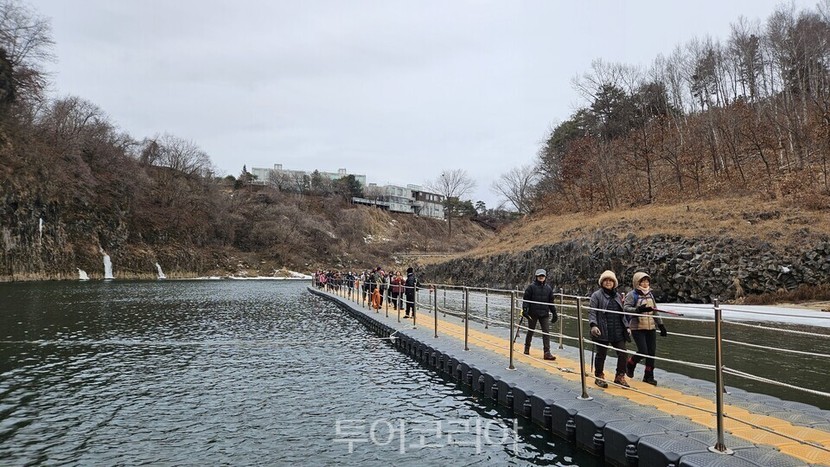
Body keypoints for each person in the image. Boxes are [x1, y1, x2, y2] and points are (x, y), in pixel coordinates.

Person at [623, 271, 668, 385]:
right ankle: (630, 364)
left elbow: (655, 311)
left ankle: (648, 376)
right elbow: (626, 308)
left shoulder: (650, 295)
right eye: (642, 281)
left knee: (651, 353)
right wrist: (638, 310)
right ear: (637, 283)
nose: (645, 283)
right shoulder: (632, 295)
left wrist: (661, 325)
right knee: (643, 351)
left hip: (651, 327)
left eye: (647, 281)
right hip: (637, 327)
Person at [588, 270, 631, 388]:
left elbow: (622, 313)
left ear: (614, 283)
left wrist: (627, 326)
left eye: (610, 280)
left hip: (617, 329)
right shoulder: (596, 295)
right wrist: (593, 325)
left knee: (623, 353)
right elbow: (592, 312)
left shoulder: (617, 296)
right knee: (601, 354)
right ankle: (599, 376)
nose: (608, 282)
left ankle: (620, 376)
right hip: (602, 329)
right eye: (606, 280)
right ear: (602, 282)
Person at [522, 268, 557, 361]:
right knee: (531, 330)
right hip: (533, 313)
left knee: (546, 332)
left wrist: (554, 313)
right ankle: (526, 348)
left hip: (544, 313)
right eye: (539, 276)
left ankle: (547, 353)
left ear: (545, 277)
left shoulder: (548, 288)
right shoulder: (531, 287)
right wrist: (525, 310)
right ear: (536, 276)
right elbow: (526, 300)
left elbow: (551, 302)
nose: (541, 277)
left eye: (543, 276)